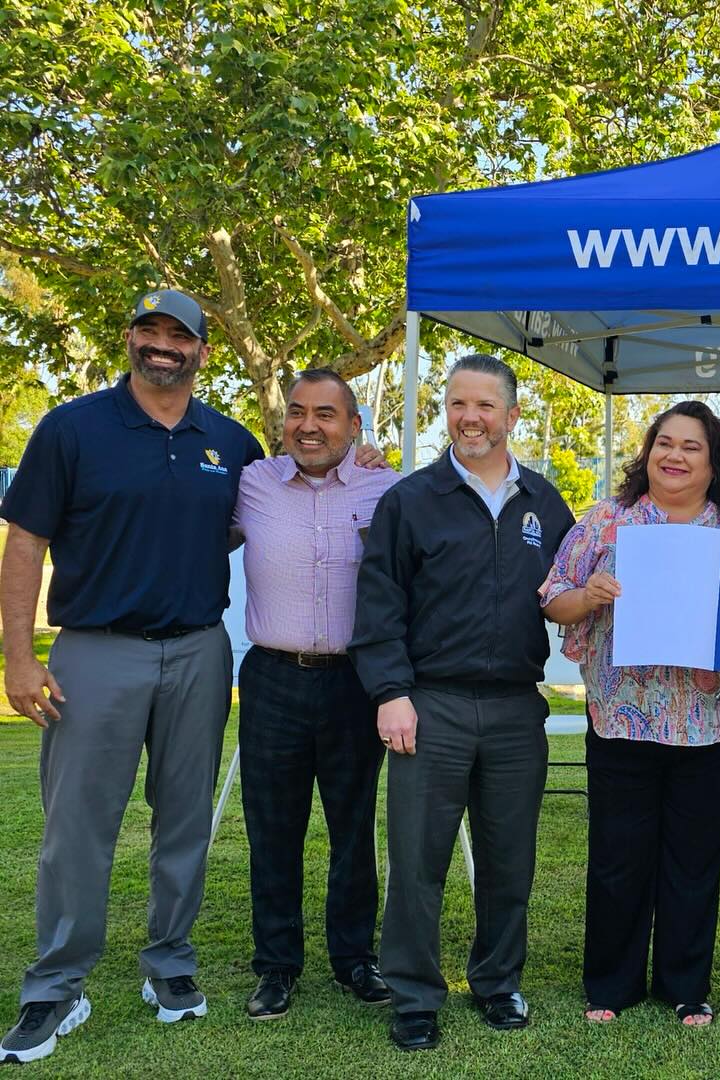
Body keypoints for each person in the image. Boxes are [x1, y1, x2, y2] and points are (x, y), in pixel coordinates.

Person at [0, 290, 265, 1064]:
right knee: (77, 828)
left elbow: (275, 504)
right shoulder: (73, 428)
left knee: (184, 819)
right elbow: (24, 544)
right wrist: (19, 655)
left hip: (197, 650)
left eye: (177, 335)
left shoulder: (231, 439)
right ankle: (56, 983)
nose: (161, 345)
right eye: (148, 331)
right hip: (95, 649)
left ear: (202, 352)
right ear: (129, 341)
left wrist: (366, 459)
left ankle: (170, 965)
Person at [349, 353, 574, 1052]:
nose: (469, 418)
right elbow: (378, 606)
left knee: (511, 858)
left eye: (484, 405)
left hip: (515, 710)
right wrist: (391, 694)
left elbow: (576, 588)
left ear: (511, 415)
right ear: (444, 412)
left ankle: (497, 981)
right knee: (418, 860)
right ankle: (414, 995)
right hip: (431, 706)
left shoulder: (545, 502)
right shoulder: (410, 501)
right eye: (456, 405)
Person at [540, 401, 720, 1028]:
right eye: (664, 443)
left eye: (691, 447)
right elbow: (554, 597)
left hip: (711, 719)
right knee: (618, 855)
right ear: (648, 453)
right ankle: (611, 984)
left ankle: (685, 986)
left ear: (714, 460)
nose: (674, 456)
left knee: (694, 860)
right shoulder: (608, 522)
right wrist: (587, 595)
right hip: (621, 717)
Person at [232, 369, 400, 1020]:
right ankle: (276, 966)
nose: (309, 424)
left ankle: (354, 959)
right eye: (298, 412)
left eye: (326, 414)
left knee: (352, 829)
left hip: (354, 682)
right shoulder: (250, 484)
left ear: (354, 427)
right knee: (273, 831)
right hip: (272, 676)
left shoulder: (385, 486)